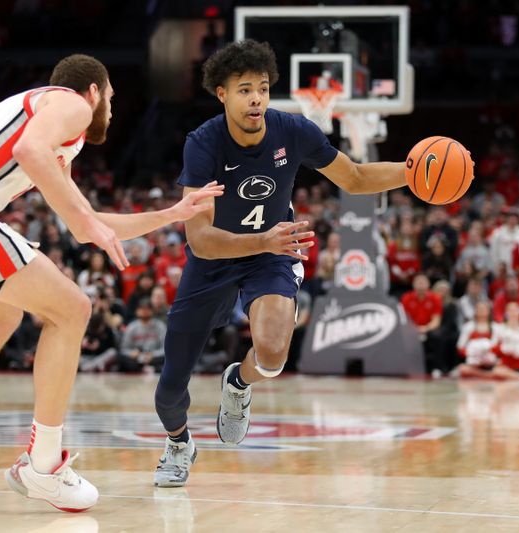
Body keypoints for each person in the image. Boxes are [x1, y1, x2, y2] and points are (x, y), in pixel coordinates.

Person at [0, 54, 221, 511]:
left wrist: (173, 215)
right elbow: (29, 154)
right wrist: (89, 223)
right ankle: (42, 465)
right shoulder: (70, 104)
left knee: (0, 319)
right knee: (73, 309)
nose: (112, 110)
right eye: (112, 99)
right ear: (95, 91)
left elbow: (86, 224)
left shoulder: (53, 140)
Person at [152, 40, 415, 487]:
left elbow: (353, 176)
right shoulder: (203, 145)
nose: (255, 98)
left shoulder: (294, 131)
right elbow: (200, 239)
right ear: (222, 94)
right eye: (243, 90)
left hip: (271, 255)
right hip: (216, 258)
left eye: (262, 88)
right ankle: (179, 443)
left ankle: (238, 383)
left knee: (273, 354)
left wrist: (413, 170)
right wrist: (263, 239)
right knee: (170, 389)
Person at [117, 298, 166, 373]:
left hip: (154, 358)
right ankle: (147, 369)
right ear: (137, 311)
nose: (144, 311)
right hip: (136, 359)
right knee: (120, 357)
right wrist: (131, 353)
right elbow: (123, 349)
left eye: (147, 309)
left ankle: (151, 369)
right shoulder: (131, 327)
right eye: (142, 309)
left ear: (152, 310)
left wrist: (153, 355)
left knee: (169, 357)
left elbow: (165, 349)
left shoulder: (160, 326)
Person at [456, 301, 498, 378]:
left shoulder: (495, 327)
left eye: (484, 309)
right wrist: (473, 354)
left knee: (500, 369)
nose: (481, 311)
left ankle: (486, 374)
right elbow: (460, 347)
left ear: (489, 311)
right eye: (479, 309)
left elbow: (497, 345)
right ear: (475, 311)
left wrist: (486, 355)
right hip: (473, 362)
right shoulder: (468, 326)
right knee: (462, 369)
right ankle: (487, 376)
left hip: (490, 362)